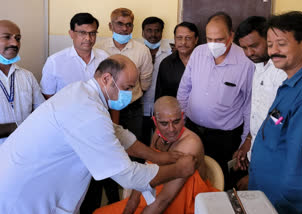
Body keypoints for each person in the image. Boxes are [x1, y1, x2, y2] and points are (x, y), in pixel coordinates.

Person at [0, 55, 197, 214]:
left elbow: (116, 133)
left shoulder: (83, 93)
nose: (130, 93)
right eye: (128, 87)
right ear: (106, 79)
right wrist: (180, 168)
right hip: (22, 196)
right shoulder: (88, 112)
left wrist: (157, 156)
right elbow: (129, 177)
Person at [93, 96, 218, 214]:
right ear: (155, 122)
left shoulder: (190, 144)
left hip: (181, 202)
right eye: (164, 123)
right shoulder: (157, 135)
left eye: (176, 121)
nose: (171, 129)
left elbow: (165, 200)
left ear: (182, 117)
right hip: (154, 194)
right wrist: (133, 201)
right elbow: (147, 170)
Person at [248, 11, 302, 213]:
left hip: (281, 204)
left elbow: (301, 161)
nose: (274, 51)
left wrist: (287, 206)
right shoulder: (292, 84)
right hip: (266, 196)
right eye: (270, 45)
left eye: (281, 43)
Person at [177, 11, 255, 189]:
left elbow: (249, 105)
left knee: (221, 183)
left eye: (219, 39)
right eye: (209, 39)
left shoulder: (246, 62)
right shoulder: (198, 52)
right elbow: (184, 89)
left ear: (231, 36)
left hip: (224, 139)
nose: (213, 44)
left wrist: (245, 142)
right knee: (191, 180)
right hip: (193, 131)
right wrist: (180, 124)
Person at [232, 16, 287, 190]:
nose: (249, 53)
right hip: (258, 152)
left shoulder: (281, 71)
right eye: (244, 48)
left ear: (269, 39)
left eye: (254, 46)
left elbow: (280, 122)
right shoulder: (257, 66)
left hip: (274, 161)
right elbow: (261, 110)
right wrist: (249, 140)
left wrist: (257, 175)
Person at [96, 8, 153, 141]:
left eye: (128, 24)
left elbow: (145, 81)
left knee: (133, 144)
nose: (124, 28)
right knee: (107, 143)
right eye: (119, 24)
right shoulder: (99, 49)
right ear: (111, 26)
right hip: (105, 107)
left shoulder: (142, 50)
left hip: (132, 108)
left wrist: (129, 95)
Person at [40, 13, 108, 99]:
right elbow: (47, 96)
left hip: (100, 111)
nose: (88, 38)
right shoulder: (54, 62)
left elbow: (111, 91)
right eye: (82, 33)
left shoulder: (105, 58)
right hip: (65, 112)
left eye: (92, 33)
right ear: (71, 34)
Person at [0, 20, 44, 145]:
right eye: (7, 37)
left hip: (24, 149)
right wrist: (15, 128)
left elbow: (41, 112)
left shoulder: (27, 76)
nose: (14, 43)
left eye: (18, 38)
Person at [141, 16, 171, 146]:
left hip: (161, 109)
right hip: (139, 108)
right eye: (149, 30)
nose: (153, 34)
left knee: (161, 143)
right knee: (140, 140)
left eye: (157, 30)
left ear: (162, 32)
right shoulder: (137, 52)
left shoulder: (170, 53)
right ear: (143, 32)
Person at [155, 22, 198, 100]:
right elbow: (160, 95)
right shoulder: (166, 64)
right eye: (179, 38)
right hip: (175, 110)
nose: (183, 42)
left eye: (188, 38)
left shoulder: (205, 62)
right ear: (174, 39)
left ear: (196, 40)